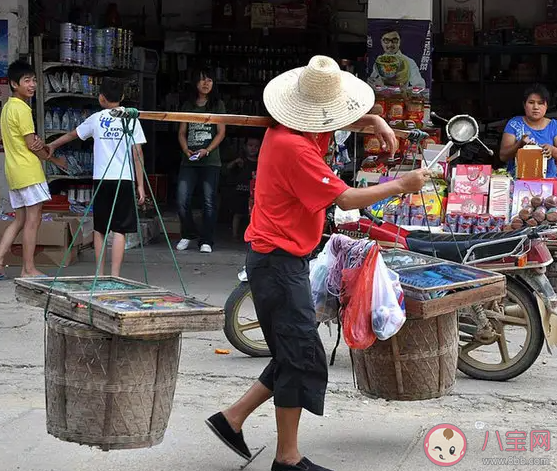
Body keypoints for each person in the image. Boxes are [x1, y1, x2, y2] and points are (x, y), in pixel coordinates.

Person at [205, 55, 430, 471]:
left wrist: (374, 121)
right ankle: (287, 459)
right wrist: (401, 184)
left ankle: (232, 418)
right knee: (301, 356)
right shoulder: (294, 147)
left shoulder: (296, 130)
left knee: (295, 350)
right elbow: (344, 198)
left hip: (280, 259)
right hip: (276, 261)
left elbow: (338, 120)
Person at [49, 77, 146, 277]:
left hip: (101, 179)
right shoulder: (131, 119)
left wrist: (52, 145)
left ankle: (99, 274)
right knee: (120, 230)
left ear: (101, 98)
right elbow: (138, 155)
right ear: (123, 97)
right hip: (124, 180)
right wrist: (141, 186)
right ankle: (115, 275)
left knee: (100, 228)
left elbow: (72, 135)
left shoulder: (96, 119)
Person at [0, 60, 66, 278]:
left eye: (34, 80)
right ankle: (28, 269)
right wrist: (55, 160)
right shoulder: (22, 109)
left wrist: (37, 144)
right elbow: (32, 145)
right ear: (13, 84)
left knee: (19, 220)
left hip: (13, 171)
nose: (32, 85)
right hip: (28, 171)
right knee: (33, 220)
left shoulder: (7, 107)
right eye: (27, 81)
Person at [176, 68, 226, 254]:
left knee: (209, 202)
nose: (206, 83)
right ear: (195, 83)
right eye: (202, 80)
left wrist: (207, 150)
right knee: (182, 199)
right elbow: (181, 132)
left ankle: (207, 240)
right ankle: (188, 233)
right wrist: (185, 149)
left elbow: (221, 132)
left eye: (209, 80)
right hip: (189, 160)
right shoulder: (188, 105)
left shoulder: (217, 105)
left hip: (210, 160)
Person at [500, 84, 557, 177]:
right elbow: (503, 157)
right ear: (524, 105)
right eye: (531, 102)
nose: (536, 107)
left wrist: (552, 150)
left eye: (540, 103)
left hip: (548, 183)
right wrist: (519, 145)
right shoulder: (514, 124)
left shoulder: (554, 126)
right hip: (518, 182)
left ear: (547, 106)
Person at [226, 136, 260, 240]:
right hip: (240, 190)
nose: (253, 148)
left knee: (253, 215)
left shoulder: (260, 162)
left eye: (256, 146)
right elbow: (228, 168)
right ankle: (235, 235)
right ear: (245, 147)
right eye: (250, 145)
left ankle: (252, 234)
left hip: (254, 192)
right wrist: (236, 162)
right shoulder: (241, 161)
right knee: (238, 214)